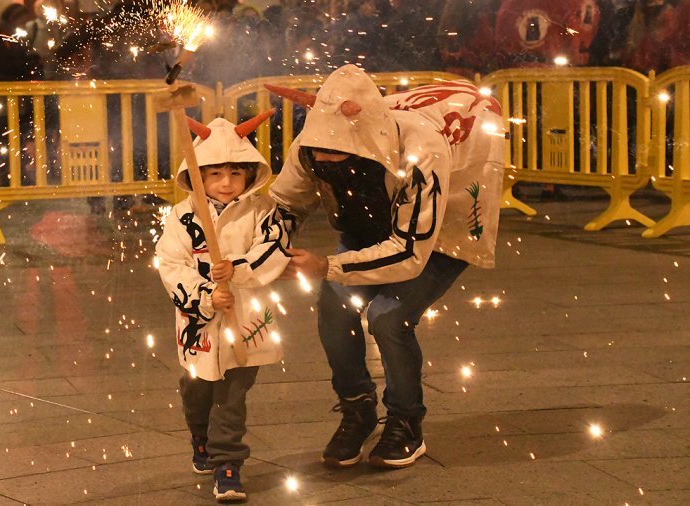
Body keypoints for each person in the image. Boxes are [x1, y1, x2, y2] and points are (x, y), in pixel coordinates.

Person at [266, 64, 504, 468]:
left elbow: (409, 251)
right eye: (321, 154)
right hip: (369, 228)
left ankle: (406, 421)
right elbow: (286, 205)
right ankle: (357, 409)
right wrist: (257, 252)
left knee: (389, 318)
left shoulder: (421, 150)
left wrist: (327, 265)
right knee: (334, 305)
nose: (328, 163)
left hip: (440, 231)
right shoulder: (308, 146)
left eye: (339, 157)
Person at [155, 112, 292, 502]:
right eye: (214, 173)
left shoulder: (262, 210)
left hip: (246, 316)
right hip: (200, 321)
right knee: (196, 388)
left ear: (250, 174)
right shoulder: (183, 215)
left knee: (233, 394)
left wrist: (238, 269)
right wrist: (205, 295)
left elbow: (273, 249)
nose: (226, 182)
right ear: (197, 175)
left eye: (235, 172)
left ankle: (228, 464)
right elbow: (170, 263)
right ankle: (201, 436)